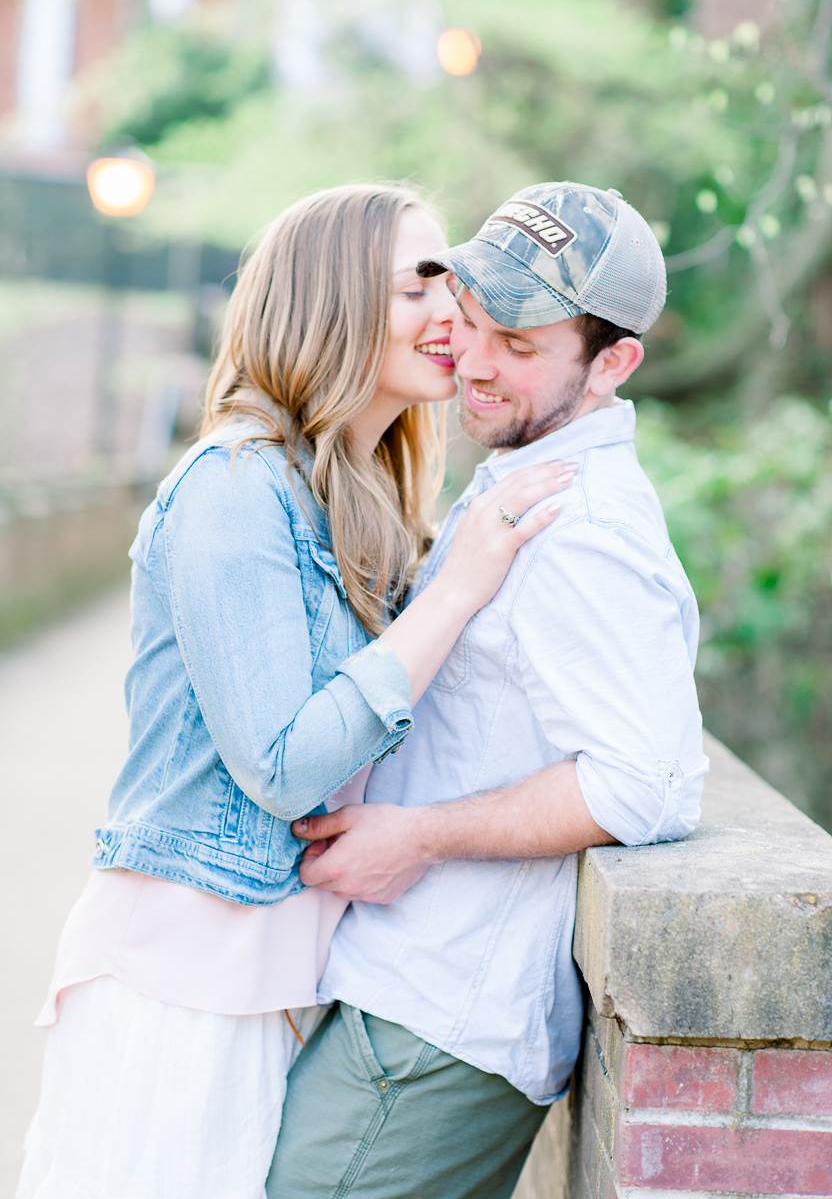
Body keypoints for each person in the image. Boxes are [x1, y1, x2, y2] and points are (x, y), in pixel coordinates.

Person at [17, 183, 576, 1199]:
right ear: (328, 299)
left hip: (273, 984)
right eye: (418, 287)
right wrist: (450, 596)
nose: (452, 314)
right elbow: (282, 763)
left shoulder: (349, 503)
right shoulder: (234, 487)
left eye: (452, 287)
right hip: (176, 988)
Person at [267, 182, 709, 1199]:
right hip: (406, 992)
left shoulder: (583, 526)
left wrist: (415, 833)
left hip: (437, 1019)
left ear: (612, 363)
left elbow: (645, 782)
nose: (471, 358)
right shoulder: (524, 470)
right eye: (471, 318)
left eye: (519, 341)